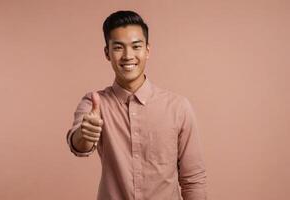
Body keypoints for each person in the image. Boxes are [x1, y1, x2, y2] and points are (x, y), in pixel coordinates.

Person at [66, 10, 207, 200]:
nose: (127, 55)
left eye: (136, 46)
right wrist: (85, 134)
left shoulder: (178, 107)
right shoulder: (94, 104)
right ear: (107, 53)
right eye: (118, 47)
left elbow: (193, 180)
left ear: (147, 50)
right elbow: (79, 146)